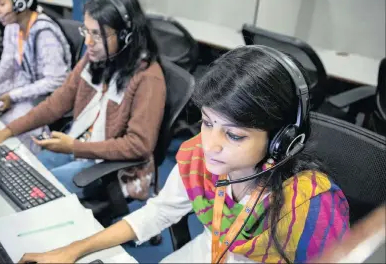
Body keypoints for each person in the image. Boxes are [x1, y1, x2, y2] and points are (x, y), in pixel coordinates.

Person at [17, 46, 350, 264]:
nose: (211, 144)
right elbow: (157, 214)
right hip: (207, 253)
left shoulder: (310, 208)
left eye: (233, 134)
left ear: (283, 140)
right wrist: (72, 251)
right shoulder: (201, 161)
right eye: (207, 123)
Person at [0, 0, 166, 200]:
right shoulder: (96, 58)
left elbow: (138, 145)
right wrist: (7, 131)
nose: (88, 42)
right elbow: (58, 102)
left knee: (38, 190)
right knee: (25, 172)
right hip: (81, 147)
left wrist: (75, 147)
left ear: (126, 36)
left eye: (97, 35)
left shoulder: (148, 78)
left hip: (113, 167)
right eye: (86, 31)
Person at [0, 0, 72, 153]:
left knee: (14, 120)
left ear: (20, 4)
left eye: (1, 4)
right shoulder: (12, 28)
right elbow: (6, 68)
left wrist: (13, 96)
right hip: (27, 86)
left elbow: (56, 81)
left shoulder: (44, 32)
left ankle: (30, 161)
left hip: (49, 95)